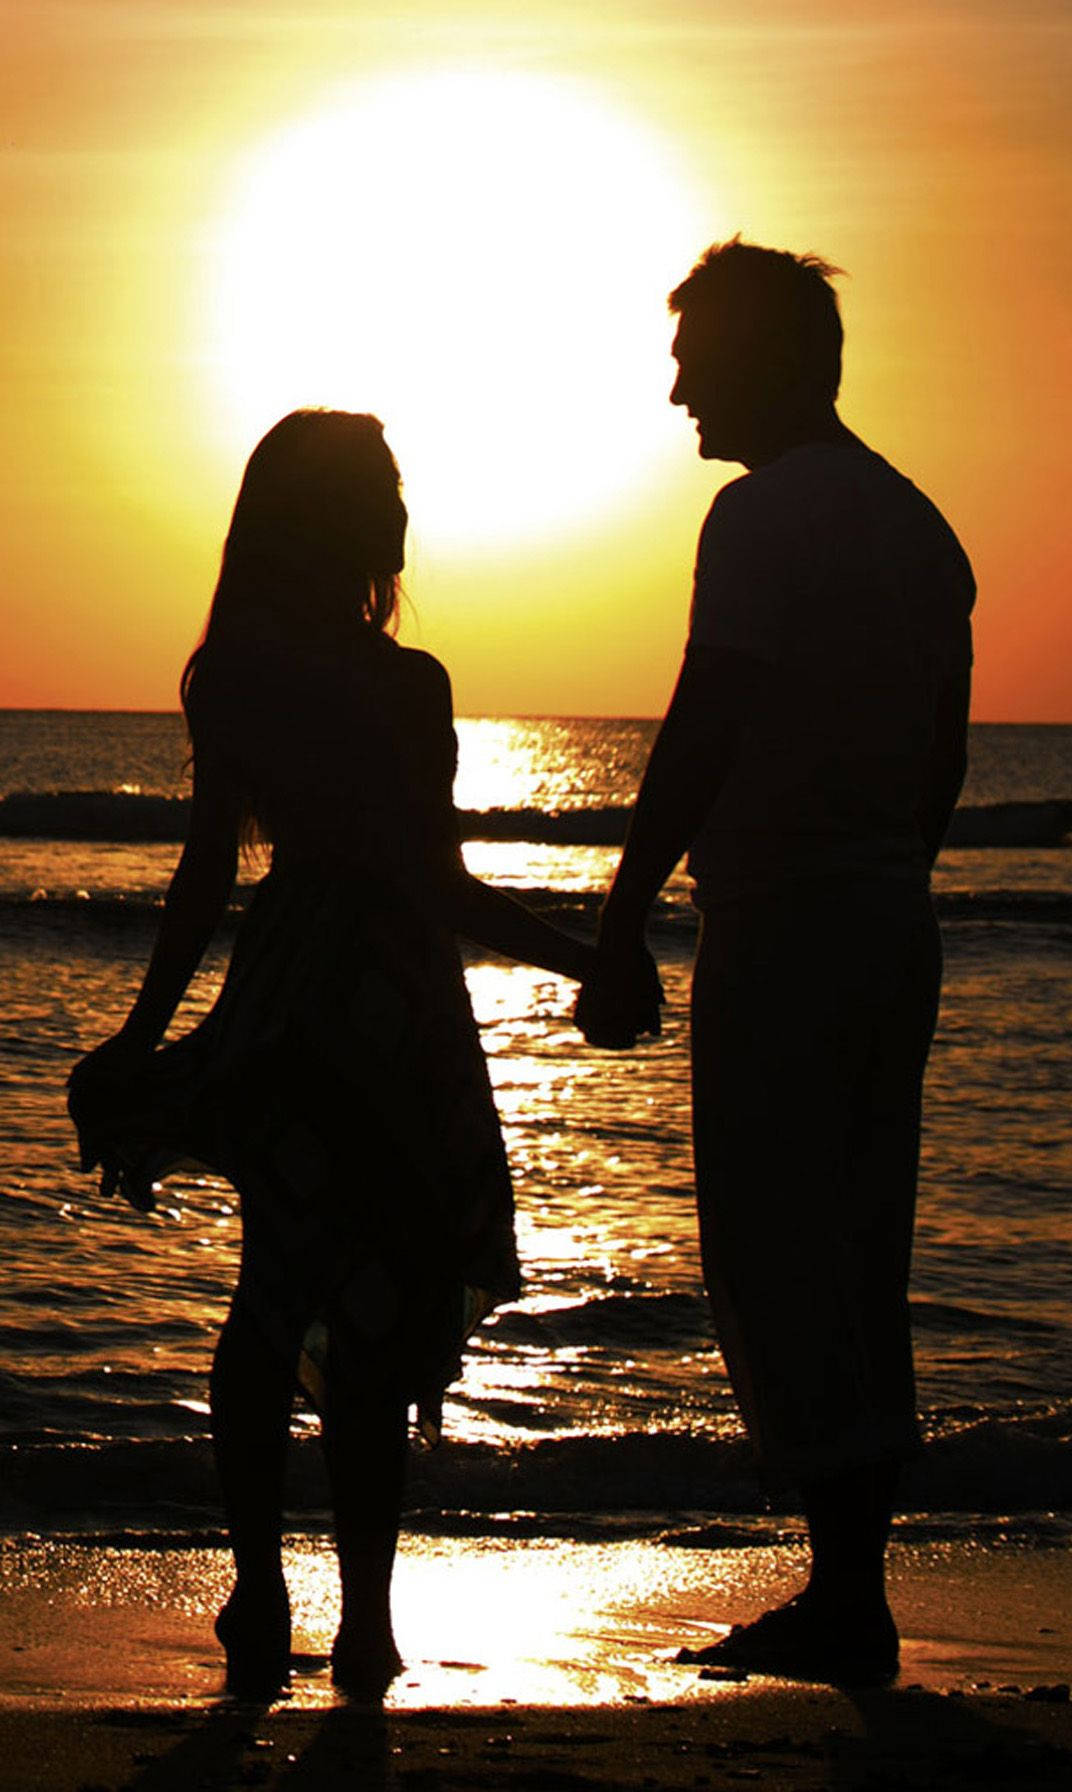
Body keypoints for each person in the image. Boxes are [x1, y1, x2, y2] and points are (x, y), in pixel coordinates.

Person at [68, 408, 597, 1703]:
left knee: (272, 1297)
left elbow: (209, 874)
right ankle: (363, 1624)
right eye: (388, 486)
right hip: (397, 1016)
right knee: (376, 1317)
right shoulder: (408, 687)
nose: (405, 506)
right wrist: (587, 954)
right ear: (346, 517)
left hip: (291, 1003)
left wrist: (148, 1038)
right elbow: (436, 883)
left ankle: (261, 1591)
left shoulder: (238, 672)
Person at [577, 238, 975, 1685]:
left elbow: (705, 727)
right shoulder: (918, 526)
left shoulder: (764, 520)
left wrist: (623, 922)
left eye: (695, 355)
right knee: (860, 1237)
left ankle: (843, 1594)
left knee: (772, 1241)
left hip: (793, 928)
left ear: (762, 358)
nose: (678, 386)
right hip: (885, 924)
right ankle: (850, 1586)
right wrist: (883, 875)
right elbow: (943, 758)